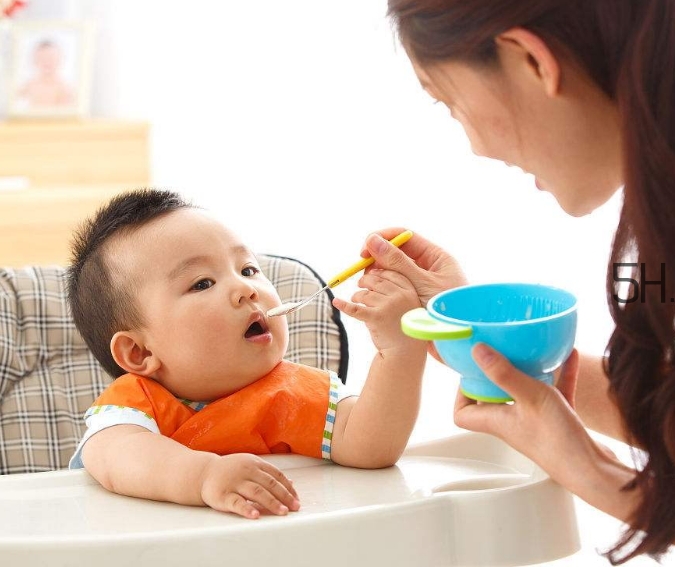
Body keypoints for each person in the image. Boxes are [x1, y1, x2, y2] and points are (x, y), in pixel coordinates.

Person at [335, 1, 675, 565]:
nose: (476, 148)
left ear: (532, 61)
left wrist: (595, 476)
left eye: (449, 104)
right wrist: (474, 340)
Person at [66, 188, 426, 519]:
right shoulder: (134, 407)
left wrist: (399, 350)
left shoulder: (297, 393)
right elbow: (115, 457)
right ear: (139, 351)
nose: (245, 289)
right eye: (202, 283)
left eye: (248, 269)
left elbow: (372, 446)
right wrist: (204, 476)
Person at [16, 39, 75, 108]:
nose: (47, 62)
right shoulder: (27, 87)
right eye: (43, 58)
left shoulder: (66, 89)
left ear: (59, 59)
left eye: (51, 58)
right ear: (35, 60)